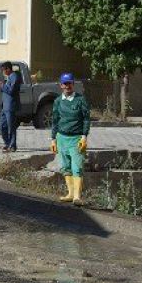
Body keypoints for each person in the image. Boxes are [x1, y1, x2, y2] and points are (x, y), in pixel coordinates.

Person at [50, 73, 90, 206]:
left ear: (73, 84)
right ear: (61, 85)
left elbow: (86, 119)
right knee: (65, 167)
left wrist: (84, 136)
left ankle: (77, 197)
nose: (67, 86)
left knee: (76, 167)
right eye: (65, 83)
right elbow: (55, 121)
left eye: (69, 83)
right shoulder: (57, 101)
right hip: (62, 138)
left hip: (76, 138)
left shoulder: (80, 100)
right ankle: (70, 193)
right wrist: (53, 139)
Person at [0, 61, 21, 152]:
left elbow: (11, 91)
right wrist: (1, 85)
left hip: (10, 107)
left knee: (11, 127)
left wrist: (1, 85)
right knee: (2, 126)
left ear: (8, 69)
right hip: (5, 107)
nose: (3, 72)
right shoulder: (9, 77)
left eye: (4, 70)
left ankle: (12, 145)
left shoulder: (14, 76)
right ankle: (7, 143)